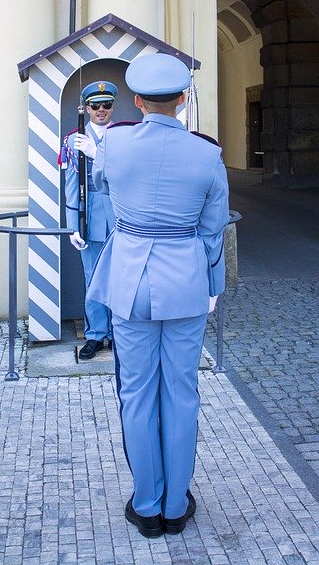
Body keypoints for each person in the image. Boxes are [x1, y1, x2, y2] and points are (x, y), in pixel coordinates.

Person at [86, 53, 230, 538]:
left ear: (137, 100)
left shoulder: (115, 145)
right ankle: (175, 502)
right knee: (182, 393)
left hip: (129, 282)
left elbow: (105, 187)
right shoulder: (208, 155)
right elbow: (213, 235)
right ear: (184, 100)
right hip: (186, 282)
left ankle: (147, 504)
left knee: (137, 393)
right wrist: (212, 288)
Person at [59, 80, 118, 360]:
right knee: (93, 277)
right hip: (91, 213)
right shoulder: (73, 140)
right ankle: (96, 333)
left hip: (120, 213)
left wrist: (99, 155)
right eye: (95, 105)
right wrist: (73, 225)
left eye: (106, 105)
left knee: (120, 277)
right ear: (88, 108)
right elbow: (72, 184)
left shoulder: (123, 137)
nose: (101, 110)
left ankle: (119, 332)